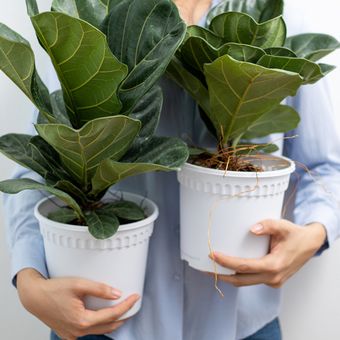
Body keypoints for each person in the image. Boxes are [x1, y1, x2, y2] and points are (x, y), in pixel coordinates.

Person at [4, 0, 340, 339]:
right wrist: (29, 281)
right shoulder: (92, 10)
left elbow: (327, 166)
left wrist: (312, 235)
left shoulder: (275, 15)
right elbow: (43, 163)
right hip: (100, 322)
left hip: (242, 325)